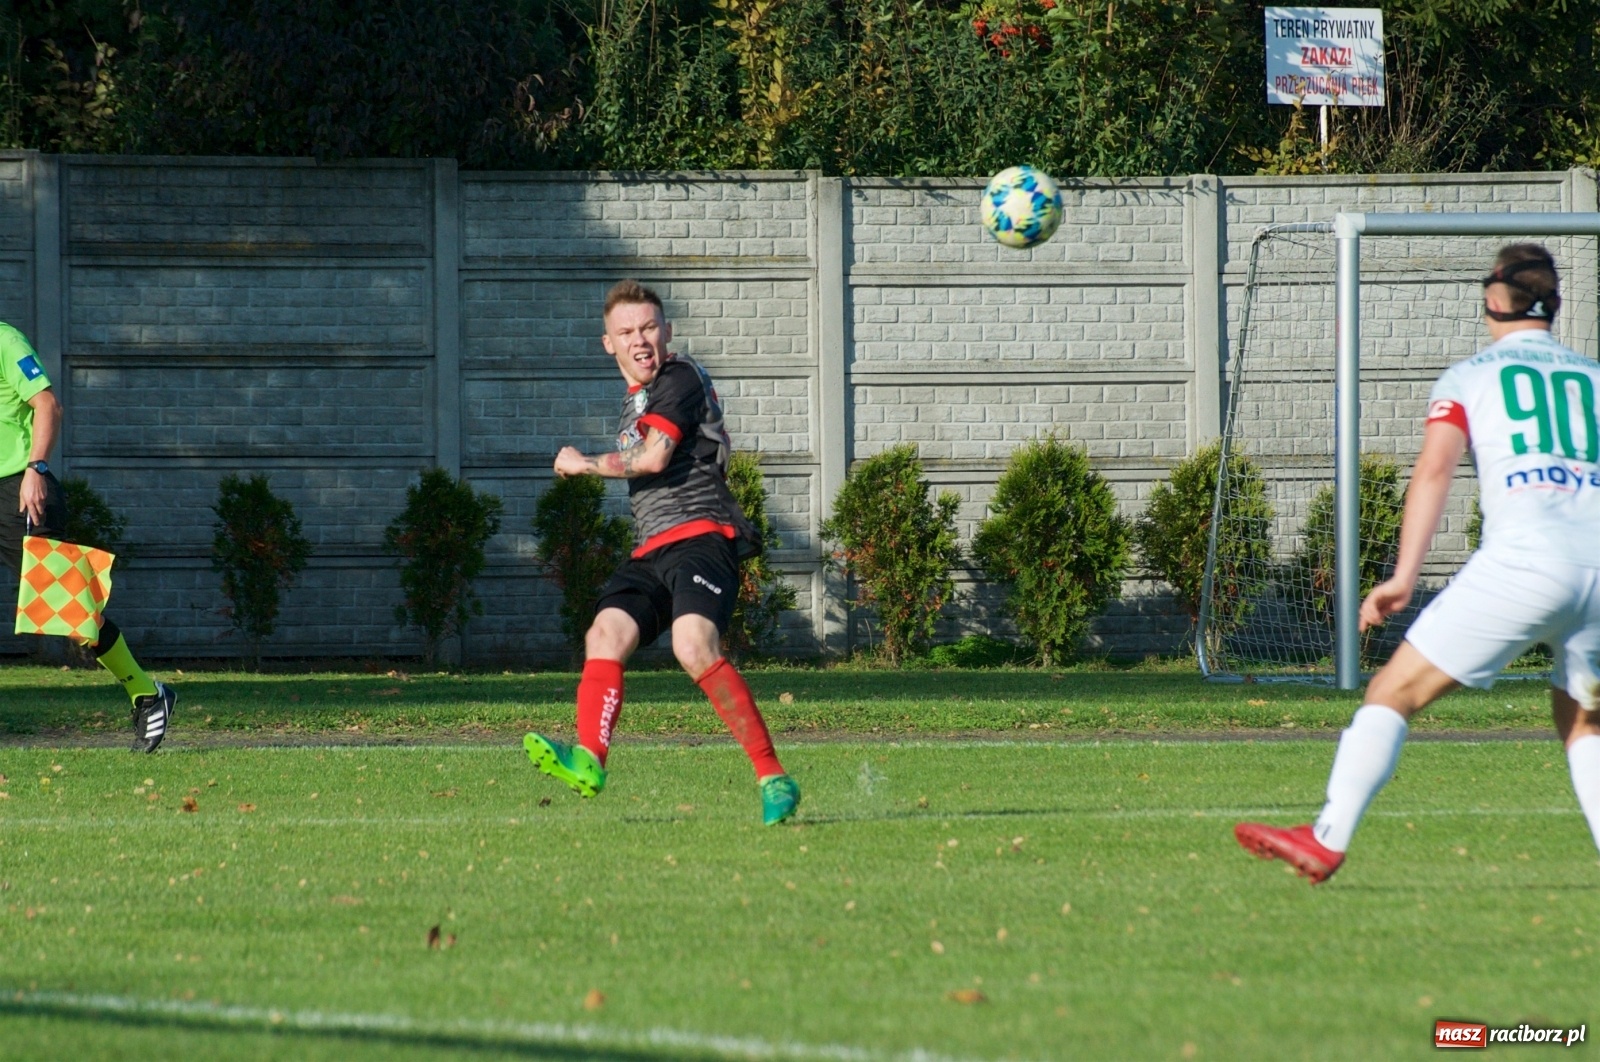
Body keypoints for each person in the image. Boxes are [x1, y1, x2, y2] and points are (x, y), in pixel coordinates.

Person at [1236, 243, 1600, 883]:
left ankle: (1327, 837)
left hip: (1526, 562)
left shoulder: (1469, 377)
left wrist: (1403, 577)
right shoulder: (1593, 377)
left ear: (1491, 299)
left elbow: (1434, 471)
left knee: (1393, 691)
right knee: (1585, 719)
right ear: (1555, 304)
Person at [522, 280, 800, 825]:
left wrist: (582, 464)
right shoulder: (633, 404)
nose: (640, 340)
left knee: (693, 645)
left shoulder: (680, 377)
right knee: (604, 635)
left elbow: (652, 461)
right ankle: (589, 761)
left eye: (649, 327)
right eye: (627, 332)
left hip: (702, 538)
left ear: (667, 332)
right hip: (652, 551)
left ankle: (774, 777)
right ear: (609, 344)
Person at [2, 322, 175, 751]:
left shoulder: (5, 340)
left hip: (17, 493)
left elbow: (47, 405)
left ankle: (147, 694)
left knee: (68, 610)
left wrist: (36, 468)